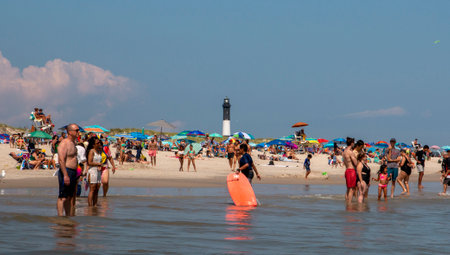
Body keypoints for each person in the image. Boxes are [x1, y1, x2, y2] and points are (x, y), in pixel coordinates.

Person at [56, 124, 79, 216]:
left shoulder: (73, 143)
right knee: (63, 196)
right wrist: (65, 174)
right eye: (76, 130)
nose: (78, 132)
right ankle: (60, 216)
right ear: (70, 132)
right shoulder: (64, 143)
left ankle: (68, 216)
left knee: (70, 196)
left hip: (73, 172)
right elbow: (61, 160)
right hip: (66, 171)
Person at [343, 138, 363, 203]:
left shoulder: (344, 151)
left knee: (348, 189)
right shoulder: (350, 152)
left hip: (347, 170)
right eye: (353, 143)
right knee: (351, 189)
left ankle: (347, 203)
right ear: (352, 143)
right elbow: (355, 163)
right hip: (351, 171)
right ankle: (349, 204)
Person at [86, 137, 103, 207]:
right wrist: (98, 164)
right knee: (92, 189)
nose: (99, 144)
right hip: (92, 171)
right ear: (93, 145)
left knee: (97, 189)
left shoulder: (98, 151)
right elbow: (89, 162)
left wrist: (100, 165)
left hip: (98, 171)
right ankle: (90, 206)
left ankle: (95, 205)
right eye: (97, 143)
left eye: (99, 142)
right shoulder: (91, 151)